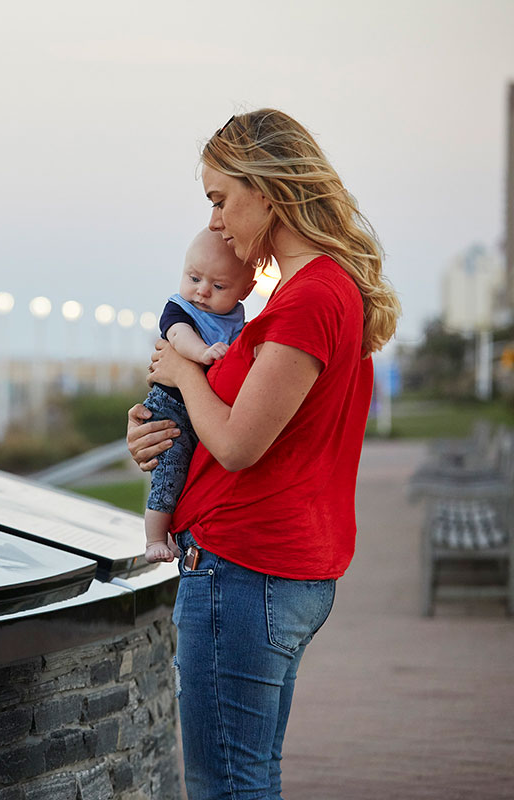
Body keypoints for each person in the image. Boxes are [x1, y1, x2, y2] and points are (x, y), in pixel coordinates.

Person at [125, 109, 400, 800]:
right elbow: (243, 425)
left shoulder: (309, 298)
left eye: (221, 199)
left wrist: (182, 374)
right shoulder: (322, 292)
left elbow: (242, 444)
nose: (215, 221)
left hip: (245, 571)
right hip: (271, 570)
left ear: (268, 191)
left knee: (225, 784)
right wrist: (155, 430)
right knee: (250, 776)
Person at [142, 229, 255, 564]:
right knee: (170, 470)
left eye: (219, 286)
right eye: (193, 277)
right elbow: (177, 337)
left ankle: (173, 531)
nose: (202, 291)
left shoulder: (237, 321)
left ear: (245, 291)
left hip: (202, 412)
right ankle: (154, 538)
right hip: (172, 408)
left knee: (190, 474)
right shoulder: (180, 309)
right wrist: (203, 353)